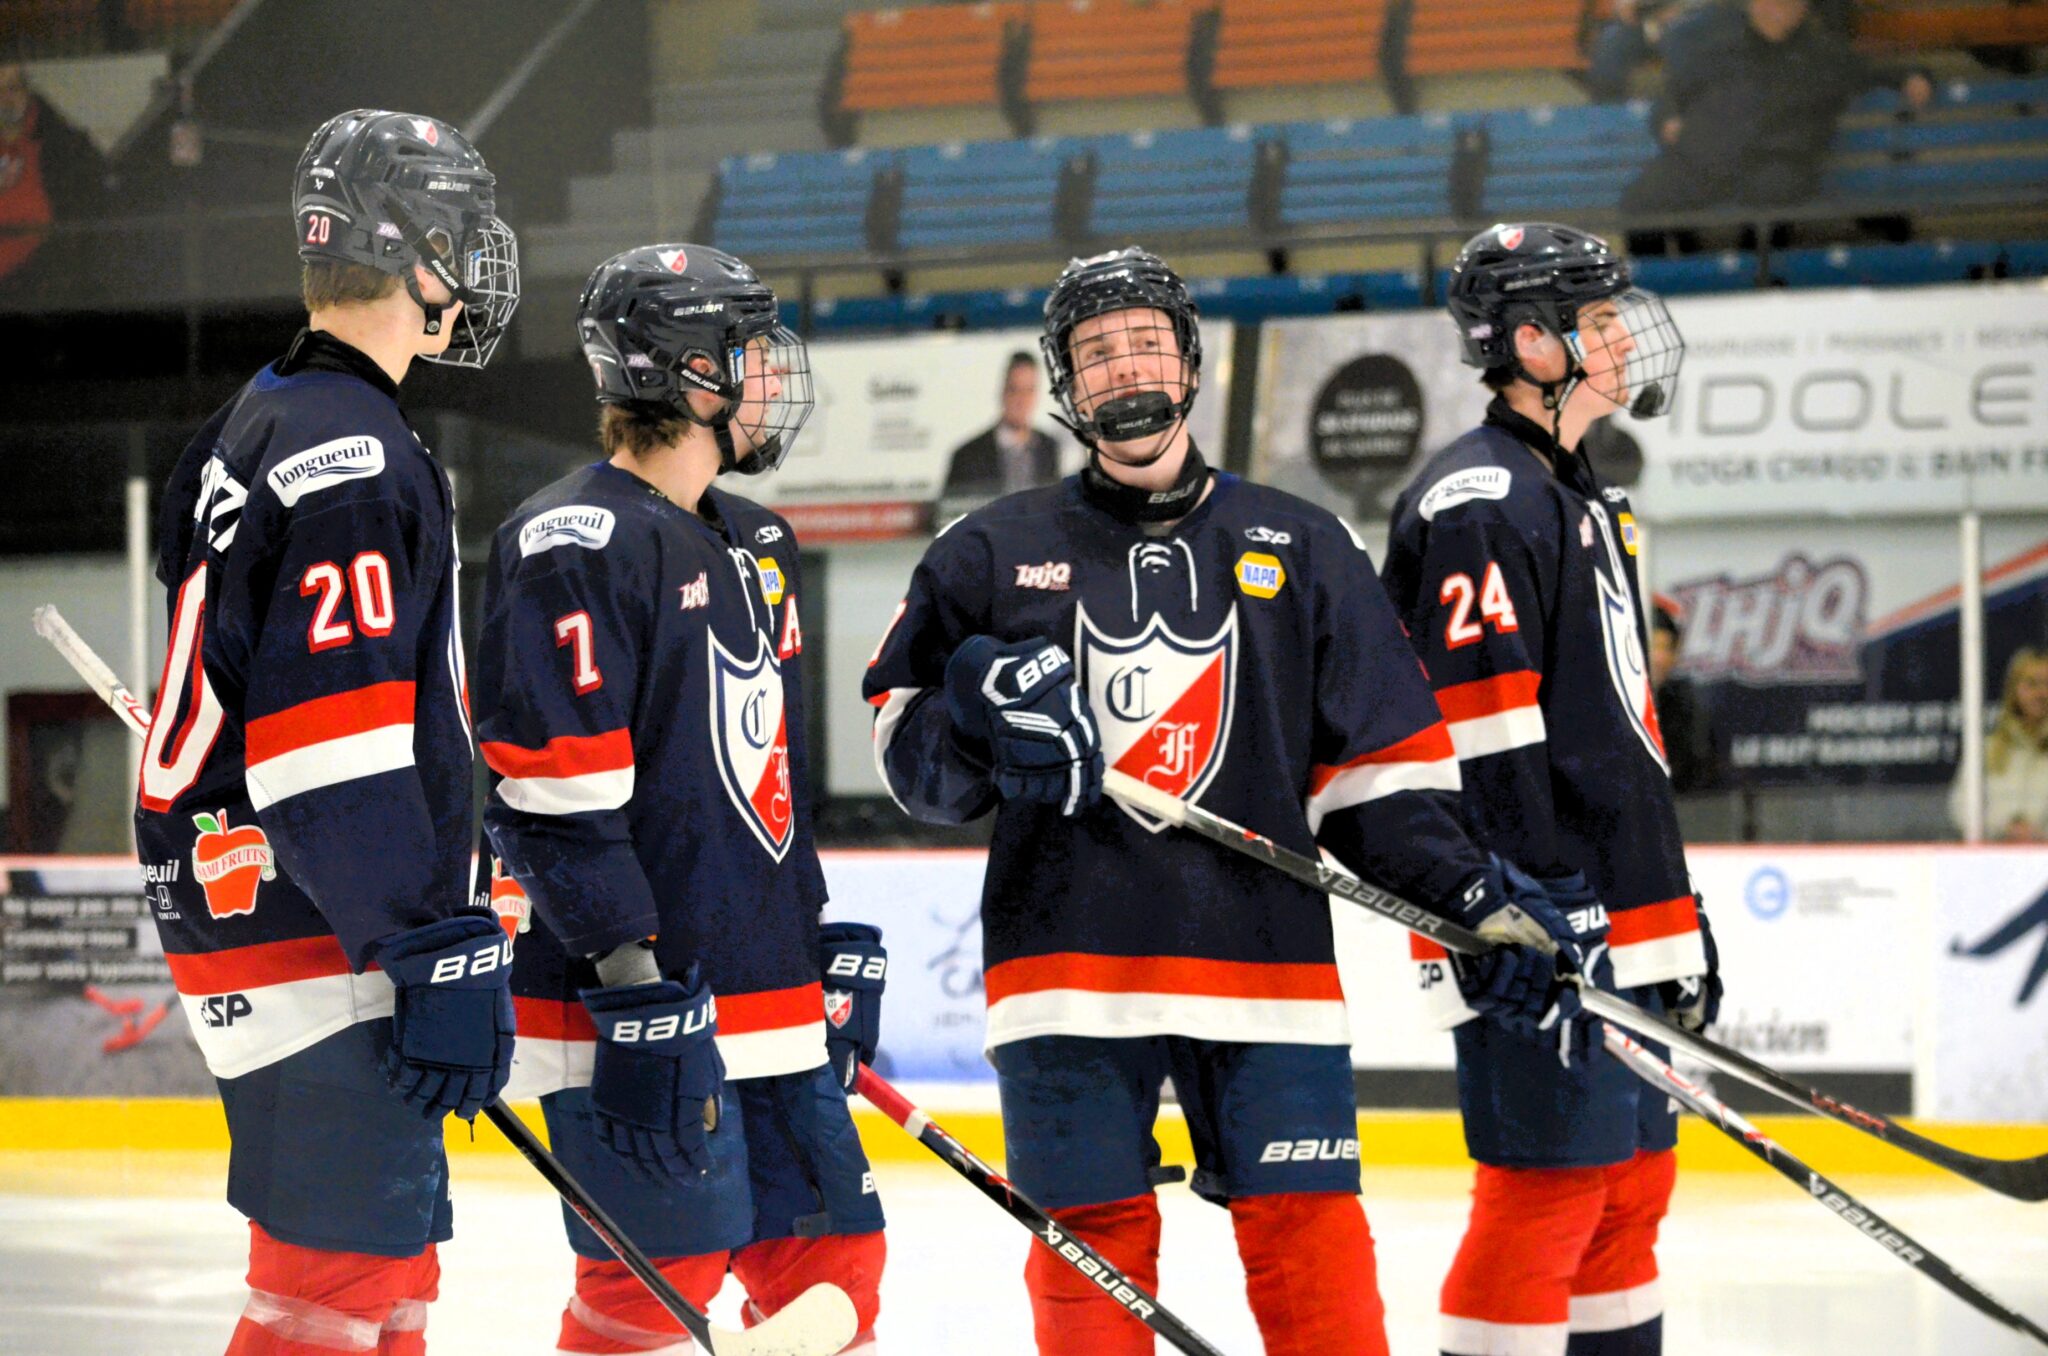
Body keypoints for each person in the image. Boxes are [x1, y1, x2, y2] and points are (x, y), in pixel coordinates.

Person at [863, 245, 1600, 1356]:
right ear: (1064, 382)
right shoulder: (987, 551)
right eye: (1096, 351)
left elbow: (1381, 782)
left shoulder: (1305, 545)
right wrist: (974, 714)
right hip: (1065, 977)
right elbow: (910, 755)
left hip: (1267, 974)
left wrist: (1470, 900)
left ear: (1192, 362)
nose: (1125, 368)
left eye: (1146, 343)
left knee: (1316, 1258)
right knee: (1089, 1262)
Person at [131, 108, 522, 1355]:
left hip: (270, 895)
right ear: (412, 250)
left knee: (389, 1279)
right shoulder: (350, 450)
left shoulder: (262, 413)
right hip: (316, 918)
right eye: (463, 234)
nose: (476, 262)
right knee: (330, 1289)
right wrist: (424, 938)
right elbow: (325, 749)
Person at [476, 244, 884, 1354]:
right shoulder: (574, 541)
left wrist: (808, 936)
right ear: (693, 372)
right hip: (638, 1000)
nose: (770, 377)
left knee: (834, 1266)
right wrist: (631, 981)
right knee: (651, 1294)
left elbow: (762, 779)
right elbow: (550, 794)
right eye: (750, 352)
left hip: (760, 983)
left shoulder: (759, 540)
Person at [1381, 221, 1723, 1356]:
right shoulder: (1479, 501)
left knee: (1629, 1196)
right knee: (1547, 1197)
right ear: (1531, 343)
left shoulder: (1577, 494)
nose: (1625, 339)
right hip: (1536, 924)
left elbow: (1612, 738)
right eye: (1599, 320)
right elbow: (1478, 738)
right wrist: (1524, 905)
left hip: (1619, 913)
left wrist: (1671, 915)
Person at [1620, 0, 1932, 218]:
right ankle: (1669, 272)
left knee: (1772, 193)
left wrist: (1913, 76)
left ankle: (1758, 278)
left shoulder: (1822, 58)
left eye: (1784, 4)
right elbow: (1673, 95)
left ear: (1801, 10)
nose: (1772, 9)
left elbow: (1874, 71)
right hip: (1706, 160)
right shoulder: (1719, 50)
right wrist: (1667, 119)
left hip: (1775, 163)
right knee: (1642, 199)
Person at [0, 60, 110, 290]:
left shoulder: (64, 146)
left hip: (38, 285)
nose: (5, 100)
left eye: (13, 88)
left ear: (27, 91)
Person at [1951, 646, 2048, 841]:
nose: (2041, 693)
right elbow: (1961, 806)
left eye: (2047, 683)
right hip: (1995, 853)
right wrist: (2006, 827)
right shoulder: (1988, 748)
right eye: (2032, 684)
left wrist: (2039, 835)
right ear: (2014, 689)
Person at [941, 349, 1064, 499]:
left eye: (1029, 390)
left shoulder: (1049, 447)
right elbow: (952, 509)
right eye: (1014, 389)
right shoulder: (967, 456)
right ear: (1003, 391)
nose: (1022, 400)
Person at [1649, 594, 1719, 793]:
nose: (1658, 658)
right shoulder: (1611, 704)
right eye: (1653, 646)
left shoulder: (1684, 708)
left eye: (1665, 647)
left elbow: (1700, 776)